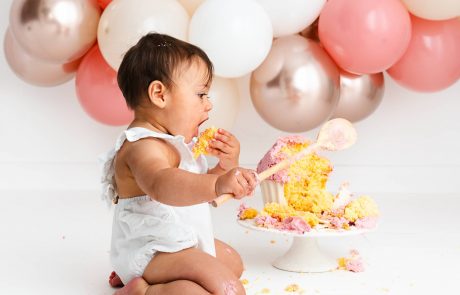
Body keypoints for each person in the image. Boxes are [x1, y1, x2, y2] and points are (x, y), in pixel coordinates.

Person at [100, 32, 258, 295]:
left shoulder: (173, 143)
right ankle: (142, 290)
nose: (209, 105)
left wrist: (226, 166)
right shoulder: (142, 147)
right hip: (151, 248)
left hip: (176, 238)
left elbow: (194, 191)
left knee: (233, 264)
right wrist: (218, 183)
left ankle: (142, 278)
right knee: (225, 289)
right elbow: (163, 185)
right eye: (201, 94)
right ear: (160, 94)